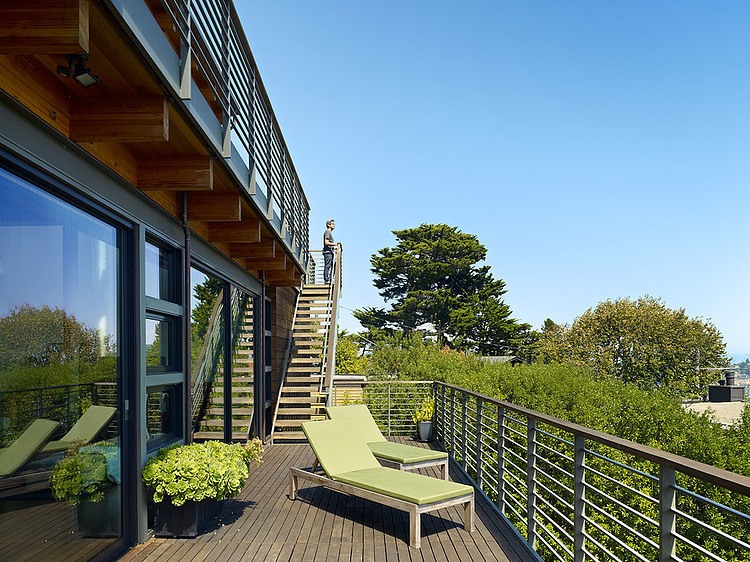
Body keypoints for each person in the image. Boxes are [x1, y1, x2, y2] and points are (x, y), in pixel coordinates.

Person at [322, 219, 339, 283]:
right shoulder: (327, 232)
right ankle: (326, 280)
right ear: (329, 225)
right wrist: (335, 244)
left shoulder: (329, 232)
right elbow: (326, 242)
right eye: (332, 224)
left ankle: (330, 278)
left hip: (330, 252)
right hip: (328, 252)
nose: (334, 225)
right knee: (328, 266)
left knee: (333, 265)